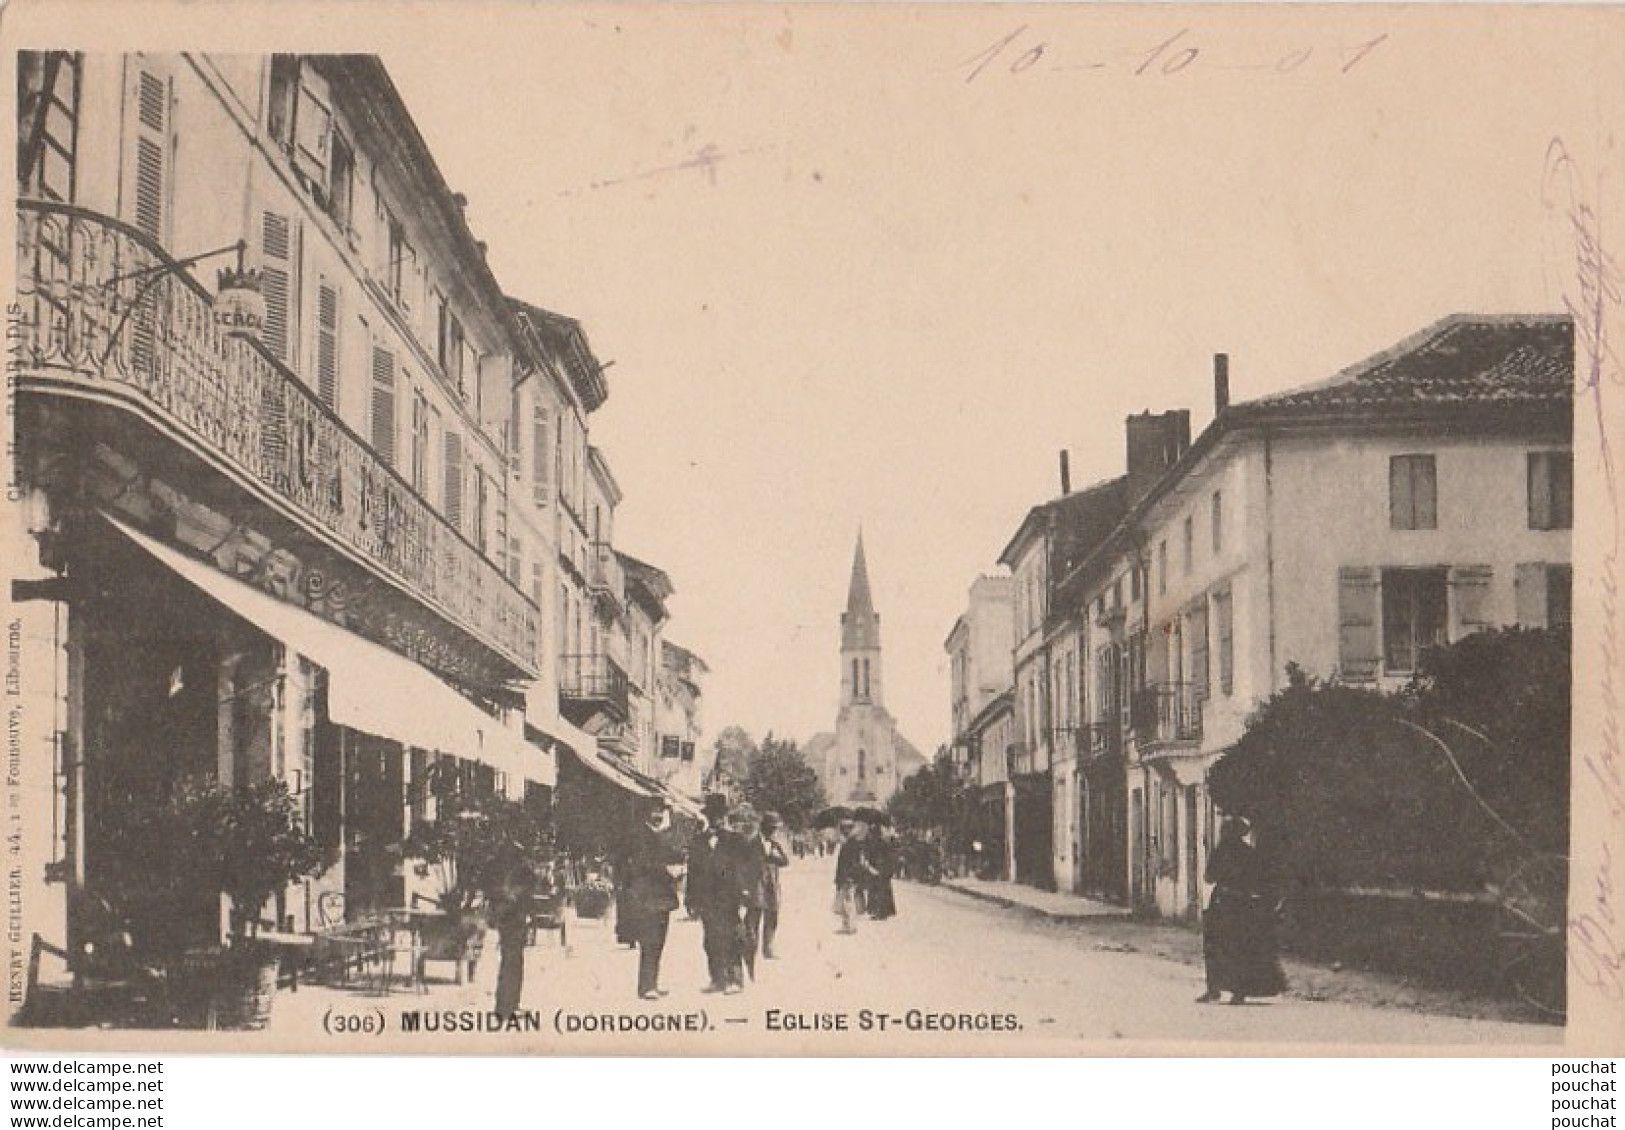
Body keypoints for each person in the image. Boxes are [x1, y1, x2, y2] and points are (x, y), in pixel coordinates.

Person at [1197, 816, 1287, 1005]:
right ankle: (1239, 992)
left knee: (1214, 945)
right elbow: (1258, 878)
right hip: (1243, 905)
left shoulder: (1220, 851)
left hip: (1222, 902)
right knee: (1241, 946)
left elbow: (1209, 877)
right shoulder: (1248, 852)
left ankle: (1214, 989)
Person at [623, 798, 688, 1000]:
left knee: (659, 942)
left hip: (663, 897)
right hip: (646, 897)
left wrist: (680, 867)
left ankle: (653, 983)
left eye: (660, 811)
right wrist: (667, 870)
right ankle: (646, 986)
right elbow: (641, 865)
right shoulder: (639, 835)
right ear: (647, 813)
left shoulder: (664, 835)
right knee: (649, 942)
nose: (658, 815)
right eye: (654, 812)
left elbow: (674, 855)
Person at [687, 793, 748, 994]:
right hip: (706, 899)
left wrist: (742, 896)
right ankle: (717, 978)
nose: (717, 820)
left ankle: (735, 979)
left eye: (720, 816)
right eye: (713, 816)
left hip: (729, 897)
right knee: (710, 939)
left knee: (732, 937)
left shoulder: (736, 840)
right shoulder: (698, 841)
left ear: (725, 817)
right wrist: (691, 900)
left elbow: (742, 870)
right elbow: (693, 872)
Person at [488, 845, 537, 1019]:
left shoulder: (500, 873)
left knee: (509, 962)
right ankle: (507, 1006)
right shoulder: (520, 875)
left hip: (507, 922)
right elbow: (527, 897)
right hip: (514, 921)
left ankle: (506, 1004)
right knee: (513, 963)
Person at [723, 804, 768, 983]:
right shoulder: (730, 841)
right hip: (733, 894)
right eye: (735, 823)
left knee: (750, 934)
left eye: (743, 823)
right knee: (735, 933)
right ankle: (736, 973)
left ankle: (749, 964)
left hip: (752, 895)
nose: (738, 827)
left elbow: (757, 868)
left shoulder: (755, 843)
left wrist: (746, 888)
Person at [833, 820, 875, 934]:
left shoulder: (850, 844)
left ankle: (849, 926)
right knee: (848, 901)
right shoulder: (852, 843)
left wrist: (847, 876)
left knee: (848, 901)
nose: (843, 831)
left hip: (848, 876)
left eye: (845, 829)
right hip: (849, 876)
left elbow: (850, 863)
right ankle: (849, 925)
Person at [758, 811, 790, 958]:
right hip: (757, 884)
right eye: (772, 828)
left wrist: (775, 850)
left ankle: (768, 948)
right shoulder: (755, 842)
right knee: (754, 918)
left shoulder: (774, 844)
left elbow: (785, 861)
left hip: (772, 884)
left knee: (772, 916)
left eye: (775, 829)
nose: (774, 831)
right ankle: (750, 949)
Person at [865, 823, 898, 919]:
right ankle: (881, 912)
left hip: (880, 869)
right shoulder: (882, 843)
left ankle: (880, 912)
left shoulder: (878, 843)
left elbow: (884, 857)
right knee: (882, 890)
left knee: (879, 891)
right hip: (882, 869)